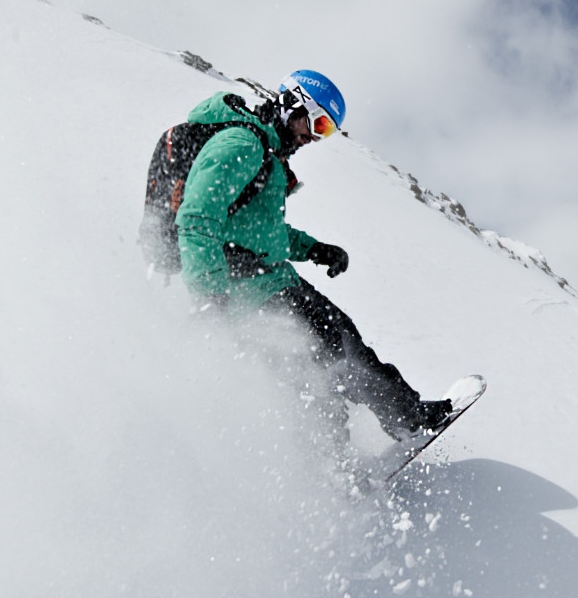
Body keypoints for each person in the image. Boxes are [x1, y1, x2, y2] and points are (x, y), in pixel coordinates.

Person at [174, 69, 451, 442]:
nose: (314, 137)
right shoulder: (241, 144)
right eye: (317, 123)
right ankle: (394, 429)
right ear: (292, 102)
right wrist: (209, 299)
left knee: (333, 360)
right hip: (253, 293)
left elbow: (261, 231)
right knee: (332, 363)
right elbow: (195, 220)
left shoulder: (266, 155)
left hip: (275, 280)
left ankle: (373, 441)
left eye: (327, 131)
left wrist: (315, 249)